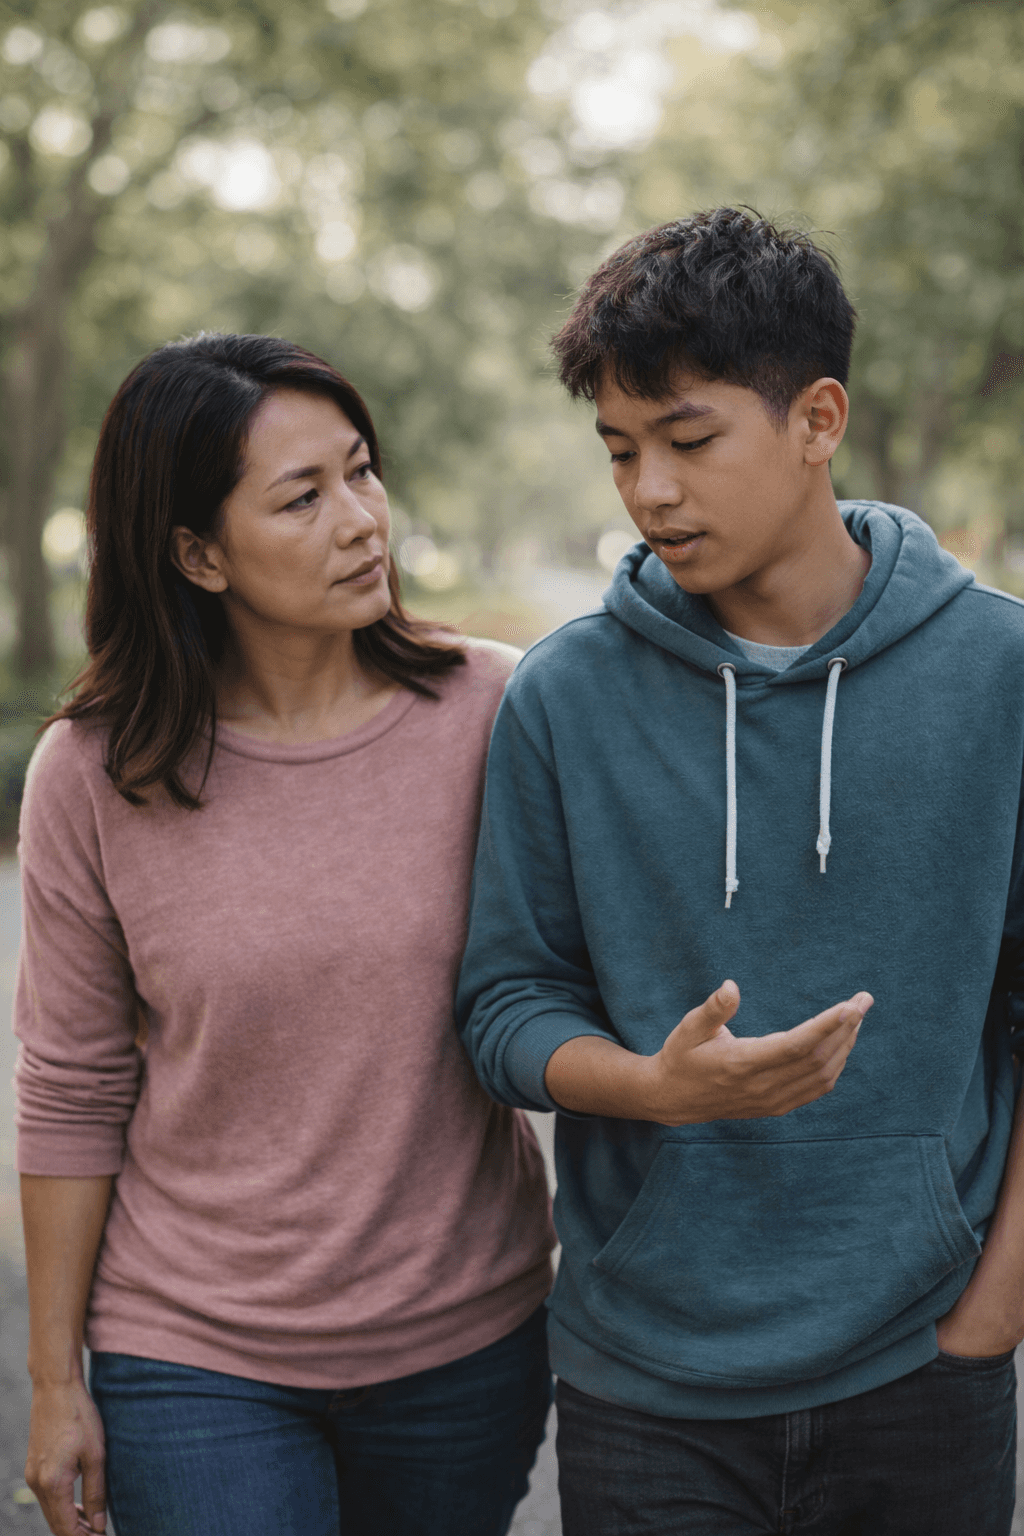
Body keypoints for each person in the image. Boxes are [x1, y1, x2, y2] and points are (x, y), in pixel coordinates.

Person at [457, 208, 1024, 1535]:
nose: (649, 490)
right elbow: (505, 1005)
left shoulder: (1001, 675)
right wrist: (651, 1086)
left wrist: (996, 1304)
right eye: (618, 451)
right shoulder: (563, 696)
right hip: (648, 1382)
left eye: (689, 440)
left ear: (819, 418)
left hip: (924, 1362)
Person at [15, 333, 554, 1536]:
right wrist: (56, 1386)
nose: (361, 519)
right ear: (197, 553)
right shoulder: (94, 774)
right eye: (302, 498)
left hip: (460, 1339)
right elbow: (70, 1083)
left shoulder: (495, 710)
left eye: (361, 473)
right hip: (193, 1348)